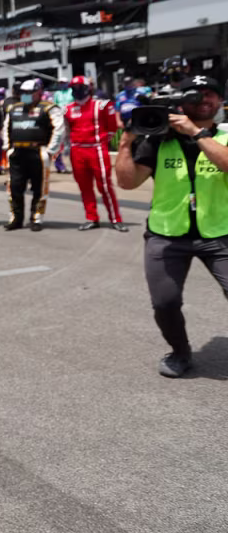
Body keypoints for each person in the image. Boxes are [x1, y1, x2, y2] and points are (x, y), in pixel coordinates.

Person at [115, 75, 228, 378]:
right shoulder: (158, 139)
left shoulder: (226, 134)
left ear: (220, 101)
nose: (204, 99)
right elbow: (127, 182)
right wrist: (126, 142)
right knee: (165, 303)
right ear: (181, 103)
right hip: (167, 233)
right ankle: (180, 352)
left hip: (220, 233)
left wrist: (196, 133)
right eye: (195, 95)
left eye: (211, 94)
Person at [64, 76, 126, 231]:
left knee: (104, 186)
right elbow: (66, 130)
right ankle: (91, 218)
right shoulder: (68, 109)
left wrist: (101, 142)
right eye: (74, 87)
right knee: (84, 186)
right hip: (77, 150)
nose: (76, 90)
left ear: (89, 88)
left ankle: (115, 218)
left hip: (97, 149)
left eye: (79, 87)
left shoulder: (102, 105)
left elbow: (112, 128)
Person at [2, 79, 65, 231]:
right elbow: (6, 128)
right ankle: (16, 218)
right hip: (17, 153)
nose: (26, 95)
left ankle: (36, 218)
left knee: (40, 187)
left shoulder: (49, 108)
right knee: (14, 187)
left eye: (29, 92)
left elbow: (59, 129)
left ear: (39, 92)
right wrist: (7, 147)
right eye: (23, 92)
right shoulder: (13, 108)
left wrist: (50, 150)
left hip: (38, 152)